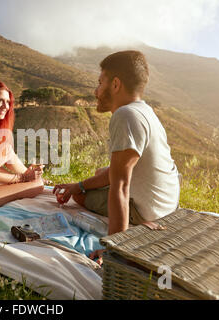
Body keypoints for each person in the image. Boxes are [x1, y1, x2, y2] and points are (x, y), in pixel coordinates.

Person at [53, 51, 180, 264]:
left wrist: (114, 248)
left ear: (115, 84)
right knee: (101, 173)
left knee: (82, 197)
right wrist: (80, 183)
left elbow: (120, 186)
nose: (96, 91)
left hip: (149, 212)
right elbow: (115, 173)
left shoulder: (125, 115)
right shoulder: (145, 110)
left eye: (100, 82)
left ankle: (131, 228)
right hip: (168, 203)